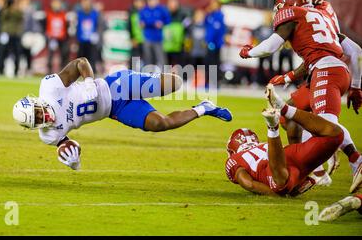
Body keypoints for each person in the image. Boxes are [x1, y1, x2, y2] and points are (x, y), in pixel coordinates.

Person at [239, 0, 362, 193]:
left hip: (325, 71)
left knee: (327, 128)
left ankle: (356, 160)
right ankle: (315, 172)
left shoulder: (293, 14)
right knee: (291, 118)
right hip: (330, 70)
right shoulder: (322, 16)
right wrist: (356, 86)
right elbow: (356, 51)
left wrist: (249, 52)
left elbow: (271, 46)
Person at [12, 57, 232, 170]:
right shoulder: (47, 135)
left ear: (37, 103)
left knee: (175, 83)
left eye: (38, 113)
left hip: (117, 85)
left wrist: (89, 82)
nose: (43, 119)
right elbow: (68, 144)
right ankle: (205, 107)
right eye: (37, 121)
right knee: (160, 124)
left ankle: (143, 74)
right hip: (115, 109)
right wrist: (73, 160)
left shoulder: (50, 88)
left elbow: (81, 63)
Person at [226, 84, 345, 196]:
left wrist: (279, 195)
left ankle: (272, 127)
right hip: (289, 155)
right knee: (335, 134)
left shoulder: (235, 159)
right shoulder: (262, 145)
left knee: (281, 184)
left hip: (276, 171)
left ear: (232, 149)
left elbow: (249, 184)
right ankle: (285, 109)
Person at [139, 0, 171, 71]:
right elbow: (141, 23)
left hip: (158, 38)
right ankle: (148, 75)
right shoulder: (144, 10)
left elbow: (168, 20)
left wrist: (161, 23)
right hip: (147, 37)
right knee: (148, 58)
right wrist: (153, 23)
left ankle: (165, 75)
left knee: (161, 58)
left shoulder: (161, 9)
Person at [0, 0, 24, 76]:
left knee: (17, 54)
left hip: (15, 34)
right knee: (2, 52)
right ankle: (1, 69)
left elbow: (20, 16)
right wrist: (7, 7)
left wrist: (13, 8)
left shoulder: (17, 11)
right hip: (5, 33)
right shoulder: (4, 11)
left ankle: (16, 71)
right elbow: (2, 17)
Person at [205, 0, 226, 87]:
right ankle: (208, 81)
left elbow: (217, 31)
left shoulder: (219, 16)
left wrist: (212, 42)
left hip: (215, 44)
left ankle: (214, 82)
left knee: (214, 63)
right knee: (208, 63)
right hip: (209, 43)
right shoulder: (210, 15)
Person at [76, 0, 99, 73]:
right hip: (81, 40)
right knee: (81, 59)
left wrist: (97, 34)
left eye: (87, 2)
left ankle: (92, 74)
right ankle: (79, 74)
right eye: (84, 2)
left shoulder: (95, 13)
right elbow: (76, 26)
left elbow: (99, 25)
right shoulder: (78, 13)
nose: (85, 4)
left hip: (91, 40)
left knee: (92, 59)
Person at [45, 0, 69, 73]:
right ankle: (49, 72)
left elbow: (66, 26)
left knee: (64, 55)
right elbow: (45, 26)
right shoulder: (48, 13)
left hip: (62, 38)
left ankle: (63, 73)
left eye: (58, 3)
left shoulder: (64, 14)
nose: (56, 5)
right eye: (55, 3)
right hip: (52, 38)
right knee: (50, 56)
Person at [163, 0, 188, 66]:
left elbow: (188, 30)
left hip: (179, 46)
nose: (172, 7)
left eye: (174, 5)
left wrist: (187, 45)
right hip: (166, 47)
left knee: (181, 66)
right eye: (170, 5)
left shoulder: (183, 16)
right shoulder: (164, 16)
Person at [127, 0, 145, 70]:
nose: (138, 4)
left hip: (146, 40)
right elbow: (129, 26)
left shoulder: (147, 13)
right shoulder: (132, 13)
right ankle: (132, 74)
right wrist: (132, 38)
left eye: (140, 2)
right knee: (134, 59)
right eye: (137, 2)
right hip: (136, 40)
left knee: (146, 59)